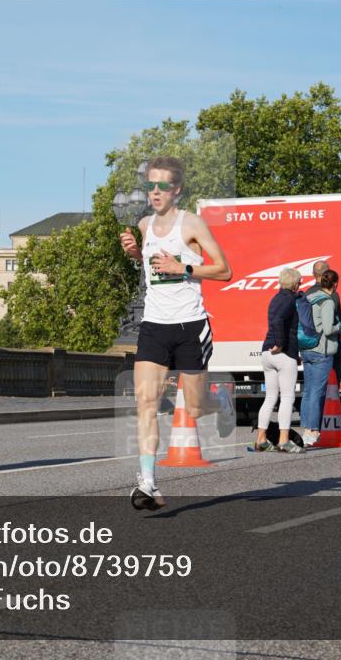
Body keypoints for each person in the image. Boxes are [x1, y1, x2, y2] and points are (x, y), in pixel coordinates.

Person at [119, 156, 233, 510]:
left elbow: (224, 270)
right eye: (151, 185)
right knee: (145, 405)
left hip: (190, 326)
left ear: (177, 190)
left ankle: (222, 401)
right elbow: (151, 268)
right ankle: (148, 482)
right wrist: (137, 254)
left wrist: (182, 266)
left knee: (195, 409)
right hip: (154, 326)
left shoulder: (192, 224)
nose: (155, 192)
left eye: (162, 186)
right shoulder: (143, 224)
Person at [254, 268, 303, 453]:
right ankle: (284, 440)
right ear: (294, 283)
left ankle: (261, 440)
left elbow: (275, 321)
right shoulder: (289, 299)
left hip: (267, 353)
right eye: (299, 282)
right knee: (288, 397)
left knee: (270, 397)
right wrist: (282, 345)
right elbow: (279, 321)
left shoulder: (275, 298)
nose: (300, 285)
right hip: (281, 352)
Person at [297, 270, 341, 444]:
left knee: (309, 391)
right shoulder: (327, 302)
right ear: (335, 284)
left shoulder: (310, 298)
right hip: (321, 351)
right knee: (318, 392)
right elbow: (327, 328)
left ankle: (306, 429)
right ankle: (312, 430)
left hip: (307, 348)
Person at [304, 260, 341, 377]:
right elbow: (335, 321)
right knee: (328, 388)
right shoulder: (332, 296)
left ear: (313, 274)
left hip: (309, 347)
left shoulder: (307, 294)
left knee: (311, 386)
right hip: (328, 348)